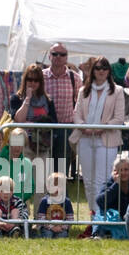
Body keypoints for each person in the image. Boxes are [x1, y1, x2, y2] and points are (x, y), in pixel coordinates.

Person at [71, 57, 126, 217]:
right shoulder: (83, 91)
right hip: (85, 138)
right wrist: (84, 127)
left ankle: (101, 217)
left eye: (104, 68)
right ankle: (93, 215)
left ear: (109, 71)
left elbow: (119, 118)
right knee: (88, 181)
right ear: (93, 71)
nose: (101, 71)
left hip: (107, 139)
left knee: (101, 179)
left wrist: (101, 128)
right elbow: (77, 114)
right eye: (98, 68)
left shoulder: (117, 91)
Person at [5, 63, 59, 160]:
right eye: (30, 79)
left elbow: (53, 122)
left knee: (41, 175)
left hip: (42, 146)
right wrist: (27, 98)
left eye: (36, 80)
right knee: (23, 175)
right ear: (25, 80)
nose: (32, 83)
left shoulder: (48, 100)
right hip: (23, 146)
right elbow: (19, 120)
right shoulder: (16, 98)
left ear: (40, 82)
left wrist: (30, 123)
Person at [43, 42, 81, 175]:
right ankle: (45, 195)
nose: (58, 57)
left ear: (67, 57)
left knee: (61, 168)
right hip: (44, 129)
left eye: (62, 54)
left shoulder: (74, 78)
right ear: (49, 56)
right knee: (43, 167)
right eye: (55, 53)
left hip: (66, 128)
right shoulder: (40, 77)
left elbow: (79, 102)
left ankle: (60, 195)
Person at [35, 170, 74, 238]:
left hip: (62, 227)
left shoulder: (66, 201)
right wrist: (51, 227)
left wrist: (63, 227)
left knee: (62, 235)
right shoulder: (44, 201)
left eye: (60, 186)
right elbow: (41, 217)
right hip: (47, 227)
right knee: (48, 235)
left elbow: (70, 218)